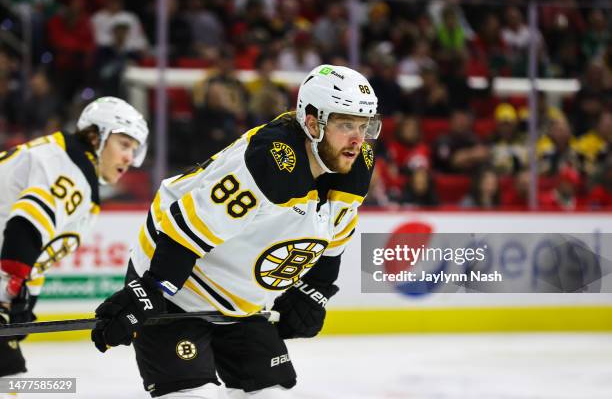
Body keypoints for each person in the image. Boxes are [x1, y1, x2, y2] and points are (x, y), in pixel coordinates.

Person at [90, 64, 381, 398]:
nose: (358, 139)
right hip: (178, 287)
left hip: (243, 307)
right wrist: (150, 291)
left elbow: (337, 228)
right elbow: (188, 227)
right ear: (313, 122)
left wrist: (315, 288)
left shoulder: (357, 162)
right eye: (346, 124)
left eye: (365, 124)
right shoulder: (270, 161)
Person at [0, 96, 148, 378]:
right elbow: (25, 227)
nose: (129, 158)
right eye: (124, 144)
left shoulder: (62, 159)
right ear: (95, 136)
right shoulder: (70, 168)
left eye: (134, 149)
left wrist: (24, 301)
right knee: (10, 381)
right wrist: (11, 295)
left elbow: (36, 252)